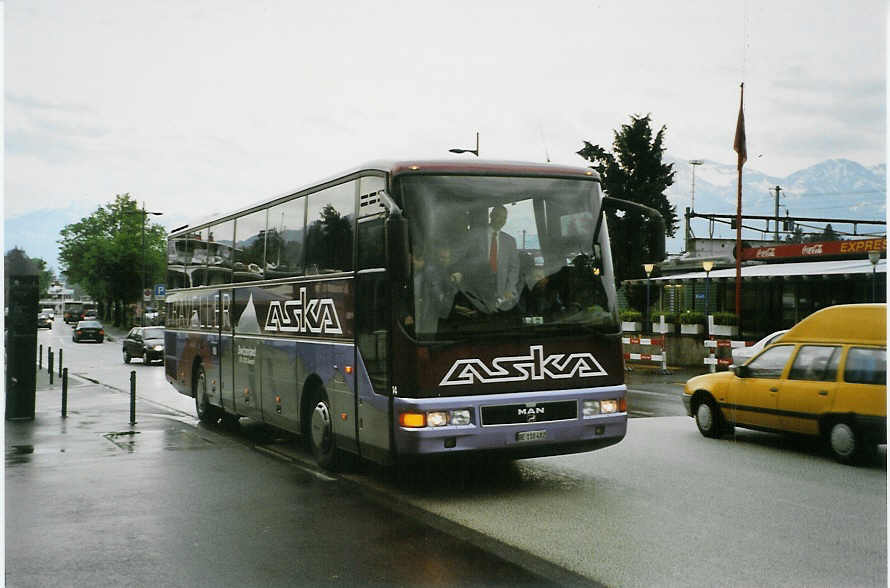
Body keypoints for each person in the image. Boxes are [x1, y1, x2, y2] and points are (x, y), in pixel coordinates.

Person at [468, 204, 519, 310]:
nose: (502, 220)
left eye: (504, 218)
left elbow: (514, 268)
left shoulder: (510, 241)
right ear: (491, 215)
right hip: (477, 288)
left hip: (501, 290)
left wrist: (509, 289)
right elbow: (466, 259)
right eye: (499, 216)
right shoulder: (474, 235)